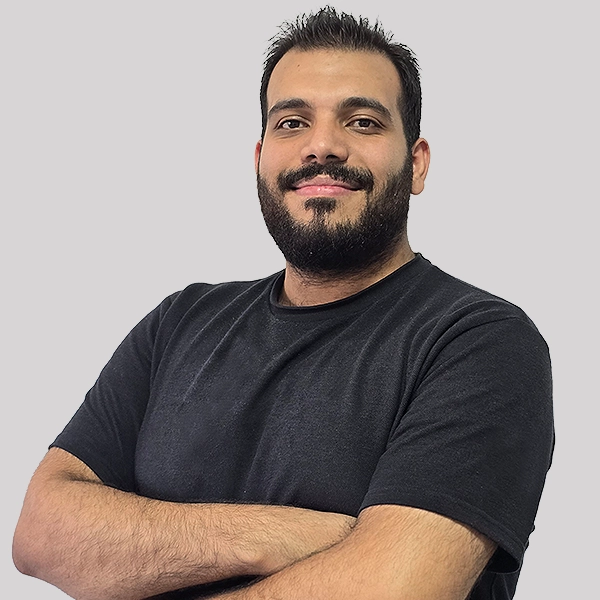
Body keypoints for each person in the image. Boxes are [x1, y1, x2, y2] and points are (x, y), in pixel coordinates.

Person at [12, 7, 553, 600]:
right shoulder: (179, 324)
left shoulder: (481, 343)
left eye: (363, 122)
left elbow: (395, 590)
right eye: (292, 122)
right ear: (260, 158)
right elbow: (40, 532)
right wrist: (276, 535)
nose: (322, 146)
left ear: (417, 163)